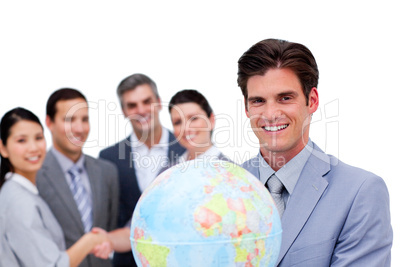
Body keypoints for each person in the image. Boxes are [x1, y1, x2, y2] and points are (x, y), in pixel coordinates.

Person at [238, 38, 392, 266]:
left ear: (312, 101)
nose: (270, 114)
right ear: (247, 108)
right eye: (259, 101)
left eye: (285, 98)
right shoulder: (221, 189)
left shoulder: (360, 193)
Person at [0, 107, 110, 267]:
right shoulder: (19, 201)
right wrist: (91, 240)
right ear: (3, 148)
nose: (33, 147)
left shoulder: (20, 192)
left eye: (38, 138)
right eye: (21, 140)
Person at [99, 73, 185, 266]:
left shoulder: (186, 151)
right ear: (124, 111)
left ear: (159, 102)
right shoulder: (109, 158)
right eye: (132, 105)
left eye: (147, 101)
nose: (141, 110)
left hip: (178, 259)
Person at [36, 88, 119, 267]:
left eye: (84, 119)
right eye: (69, 119)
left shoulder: (107, 172)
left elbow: (109, 228)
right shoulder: (35, 175)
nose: (79, 128)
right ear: (49, 122)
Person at [168, 89, 230, 163]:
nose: (185, 128)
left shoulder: (234, 172)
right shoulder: (165, 171)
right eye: (177, 122)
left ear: (211, 121)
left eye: (194, 118)